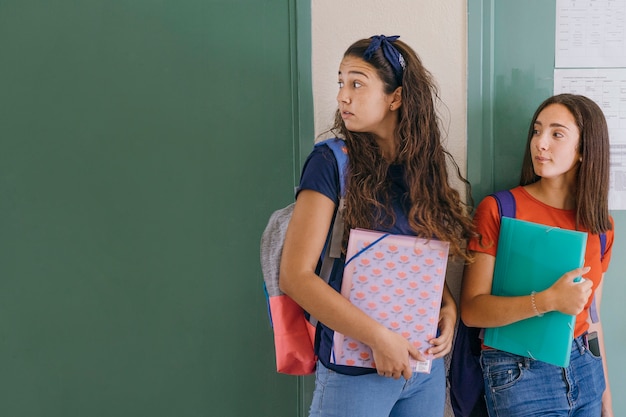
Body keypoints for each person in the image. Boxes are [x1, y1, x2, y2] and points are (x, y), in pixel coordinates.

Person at [279, 35, 475, 417]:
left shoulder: (424, 169)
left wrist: (447, 309)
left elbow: (422, 260)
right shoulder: (331, 161)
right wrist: (378, 338)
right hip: (353, 369)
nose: (342, 97)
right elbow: (295, 276)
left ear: (396, 98)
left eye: (357, 83)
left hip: (422, 369)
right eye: (341, 82)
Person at [461, 93, 614, 417]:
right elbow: (472, 311)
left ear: (585, 150)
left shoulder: (602, 226)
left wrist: (606, 400)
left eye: (556, 134)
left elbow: (593, 318)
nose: (540, 143)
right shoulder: (499, 210)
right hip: (519, 374)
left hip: (586, 368)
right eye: (536, 130)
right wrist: (549, 300)